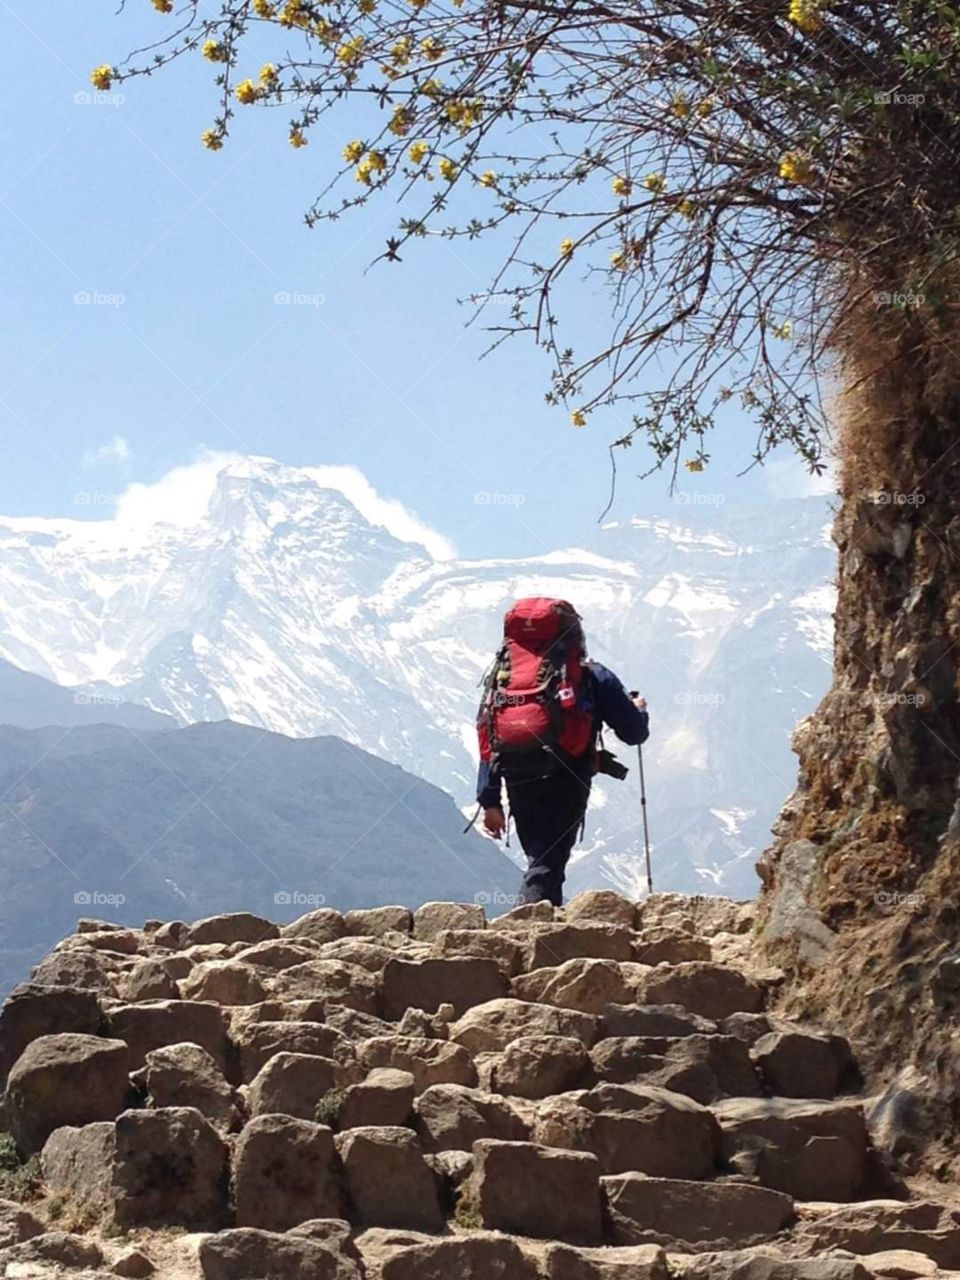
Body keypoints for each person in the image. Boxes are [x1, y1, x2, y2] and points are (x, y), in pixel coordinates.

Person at [475, 598, 649, 906]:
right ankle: (530, 925)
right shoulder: (591, 675)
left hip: (516, 775)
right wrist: (639, 711)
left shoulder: (502, 680)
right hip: (566, 775)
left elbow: (489, 733)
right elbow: (633, 733)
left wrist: (490, 800)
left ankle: (542, 925)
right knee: (547, 862)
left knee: (541, 856)